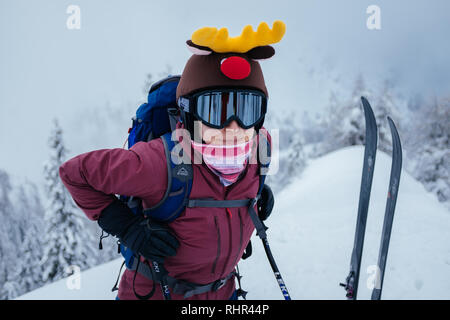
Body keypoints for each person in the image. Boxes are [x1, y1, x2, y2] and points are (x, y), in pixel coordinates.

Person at [59, 20, 285, 300]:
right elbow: (75, 173)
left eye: (247, 109)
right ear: (189, 114)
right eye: (216, 109)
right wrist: (126, 227)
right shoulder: (159, 161)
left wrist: (257, 191)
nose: (233, 126)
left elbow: (239, 184)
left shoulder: (260, 146)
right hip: (156, 293)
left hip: (224, 292)